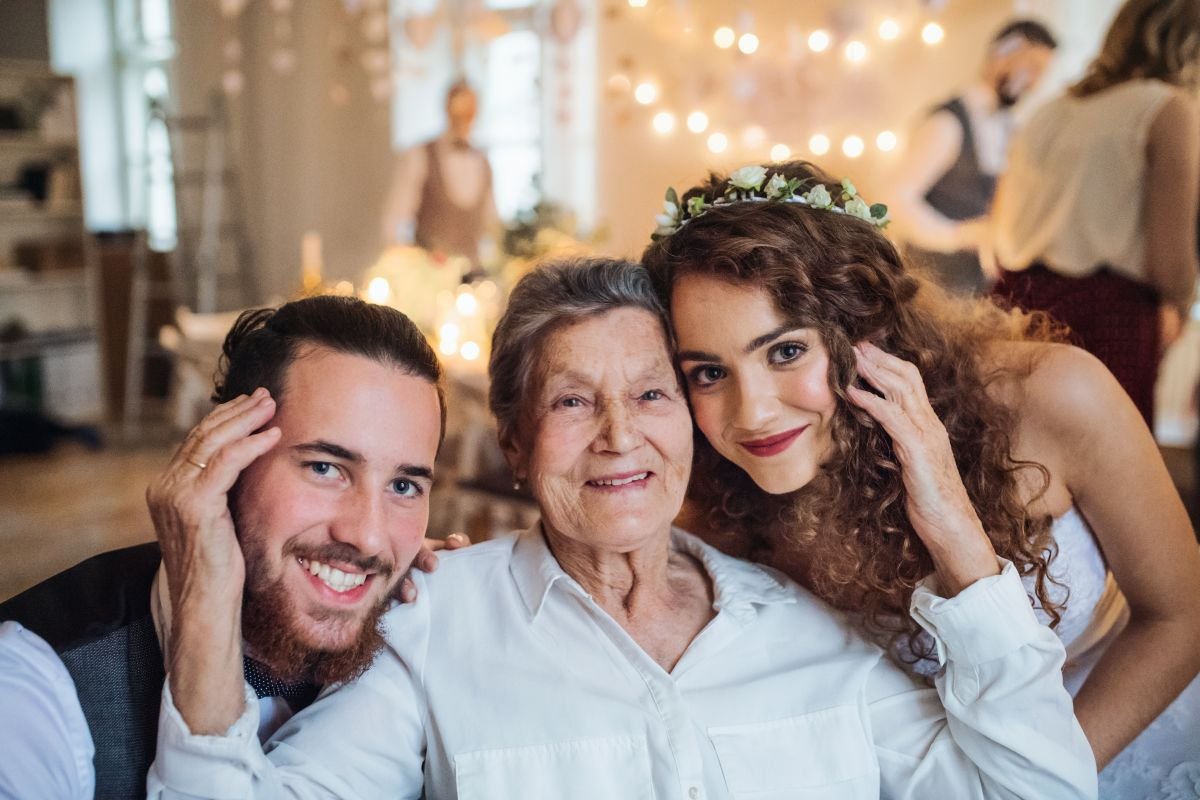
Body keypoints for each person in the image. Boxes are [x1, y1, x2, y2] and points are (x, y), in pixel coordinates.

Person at [149, 258, 1097, 799]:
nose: (618, 435)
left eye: (651, 392)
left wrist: (961, 547)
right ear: (513, 446)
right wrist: (204, 595)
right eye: (572, 400)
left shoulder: (813, 632)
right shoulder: (434, 625)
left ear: (690, 423)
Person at [641, 161, 1200, 797]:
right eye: (708, 373)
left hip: (1128, 735)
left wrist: (1047, 772)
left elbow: (1180, 616)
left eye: (786, 351)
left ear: (867, 330)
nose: (754, 412)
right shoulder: (719, 511)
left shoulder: (1053, 396)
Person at [0, 294, 459, 798]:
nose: (368, 536)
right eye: (325, 468)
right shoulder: (31, 686)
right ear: (226, 457)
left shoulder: (411, 632)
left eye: (403, 487)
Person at [991, 0, 1200, 428]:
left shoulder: (1049, 110)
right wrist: (1180, 302)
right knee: (1106, 474)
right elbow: (1170, 262)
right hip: (1108, 321)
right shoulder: (1166, 109)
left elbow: (999, 226)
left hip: (1013, 305)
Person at [889, 19, 1057, 296]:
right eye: (1031, 68)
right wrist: (956, 234)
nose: (1034, 82)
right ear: (1000, 54)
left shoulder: (1011, 128)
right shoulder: (947, 123)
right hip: (932, 289)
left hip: (977, 290)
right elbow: (897, 200)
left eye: (1042, 73)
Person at [381, 79, 499, 269]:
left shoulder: (484, 161)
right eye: (458, 109)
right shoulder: (420, 155)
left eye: (469, 110)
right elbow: (395, 217)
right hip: (430, 275)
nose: (463, 117)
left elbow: (492, 221)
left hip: (475, 273)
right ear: (447, 108)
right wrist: (401, 264)